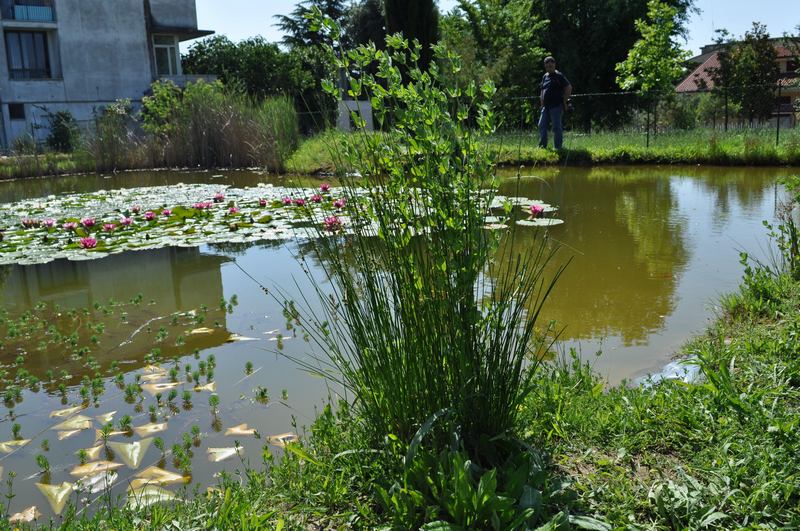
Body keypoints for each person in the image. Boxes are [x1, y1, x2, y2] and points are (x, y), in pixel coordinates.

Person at [538, 56, 572, 150]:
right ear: (545, 66)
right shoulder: (545, 76)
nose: (549, 67)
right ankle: (542, 147)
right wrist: (542, 103)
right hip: (546, 107)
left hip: (556, 106)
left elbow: (568, 87)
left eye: (551, 65)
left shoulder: (559, 76)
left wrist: (565, 100)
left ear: (554, 65)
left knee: (556, 127)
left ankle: (558, 148)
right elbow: (542, 90)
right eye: (547, 66)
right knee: (541, 125)